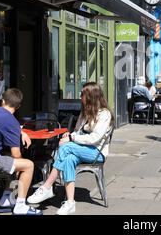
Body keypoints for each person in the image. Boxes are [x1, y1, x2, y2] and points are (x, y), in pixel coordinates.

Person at [27, 83, 113, 215]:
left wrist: (72, 139)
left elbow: (95, 138)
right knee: (69, 159)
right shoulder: (85, 112)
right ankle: (70, 203)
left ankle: (47, 186)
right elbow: (78, 131)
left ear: (90, 96)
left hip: (96, 152)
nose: (80, 97)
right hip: (80, 149)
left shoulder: (104, 114)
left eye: (82, 94)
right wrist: (71, 135)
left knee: (65, 147)